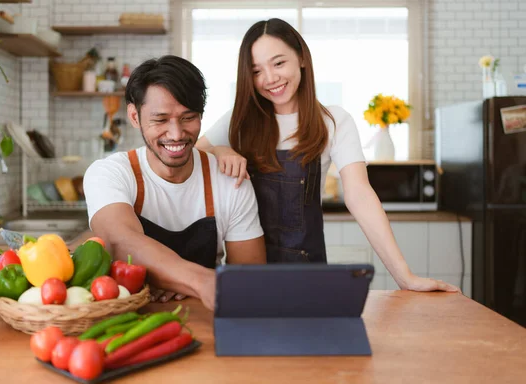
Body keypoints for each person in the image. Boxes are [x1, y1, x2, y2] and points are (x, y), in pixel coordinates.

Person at [196, 18, 460, 293]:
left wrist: (405, 277)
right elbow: (189, 158)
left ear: (301, 58)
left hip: (307, 276)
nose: (270, 79)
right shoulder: (238, 121)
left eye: (278, 63)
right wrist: (219, 149)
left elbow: (360, 196)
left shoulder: (333, 121)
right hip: (246, 277)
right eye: (256, 71)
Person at [83, 55, 267, 311]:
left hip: (206, 316)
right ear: (135, 117)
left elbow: (249, 276)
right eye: (160, 120)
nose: (176, 134)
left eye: (188, 117)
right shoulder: (109, 173)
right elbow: (119, 240)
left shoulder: (229, 180)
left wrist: (166, 275)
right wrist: (200, 281)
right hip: (128, 317)